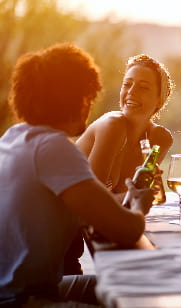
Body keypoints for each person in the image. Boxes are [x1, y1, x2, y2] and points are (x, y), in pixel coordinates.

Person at [0, 43, 155, 306]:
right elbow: (128, 230)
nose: (90, 103)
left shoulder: (15, 138)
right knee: (144, 298)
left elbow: (92, 203)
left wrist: (128, 195)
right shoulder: (53, 147)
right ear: (76, 99)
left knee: (119, 287)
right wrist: (139, 205)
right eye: (89, 96)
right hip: (22, 300)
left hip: (19, 289)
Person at [76, 54, 174, 193]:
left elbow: (131, 201)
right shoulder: (112, 125)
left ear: (160, 99)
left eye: (143, 87)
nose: (131, 92)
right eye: (127, 84)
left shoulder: (160, 139)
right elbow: (91, 200)